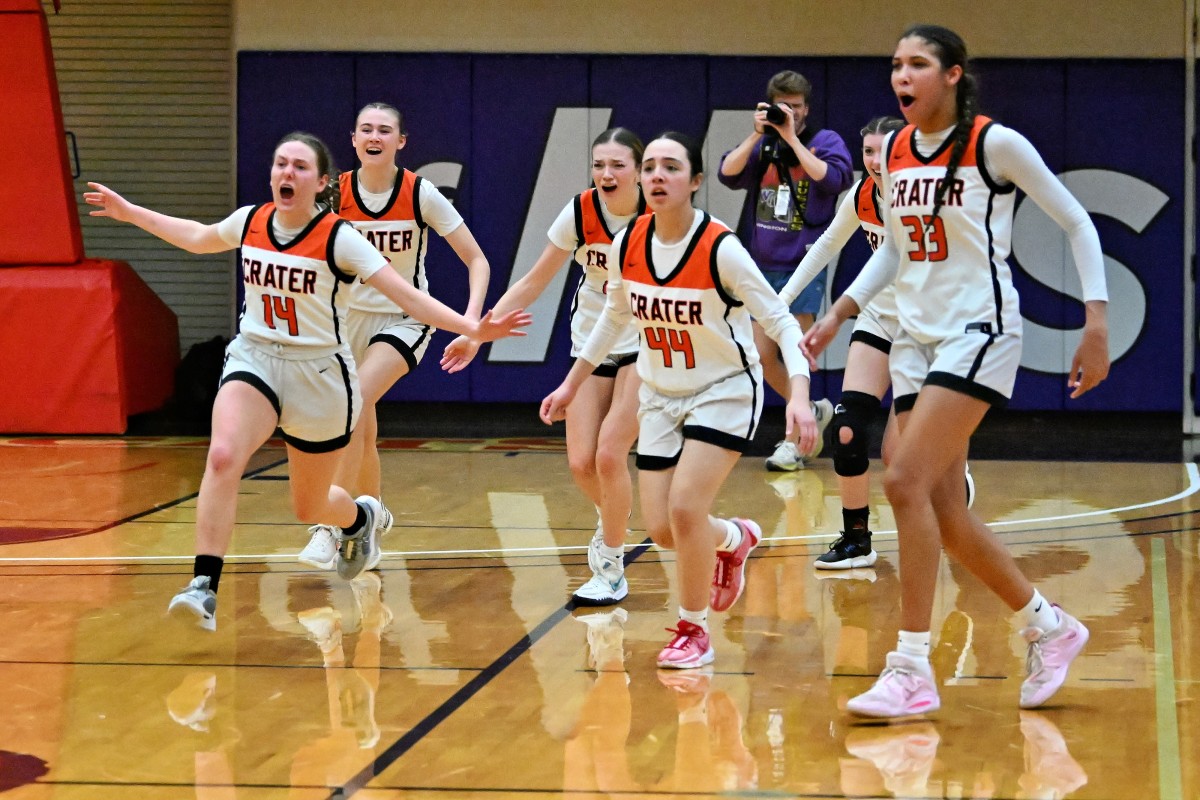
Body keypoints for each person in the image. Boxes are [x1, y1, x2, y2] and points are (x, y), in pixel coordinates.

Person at [83, 131, 529, 629]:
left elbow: (409, 299)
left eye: (299, 167)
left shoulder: (340, 238)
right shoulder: (250, 221)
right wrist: (131, 213)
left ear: (320, 182)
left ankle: (359, 520)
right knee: (224, 454)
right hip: (255, 357)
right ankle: (204, 584)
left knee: (310, 505)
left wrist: (473, 328)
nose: (286, 173)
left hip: (317, 374)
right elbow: (195, 236)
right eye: (280, 164)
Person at [801, 24, 1110, 717]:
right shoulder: (900, 152)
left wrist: (1096, 323)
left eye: (916, 64)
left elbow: (1077, 222)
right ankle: (1048, 626)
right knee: (939, 504)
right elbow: (895, 251)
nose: (901, 76)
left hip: (981, 330)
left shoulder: (992, 144)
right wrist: (842, 311)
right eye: (894, 65)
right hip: (915, 338)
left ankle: (911, 665)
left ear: (952, 75)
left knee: (904, 478)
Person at [541, 132, 818, 669]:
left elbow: (781, 323)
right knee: (666, 530)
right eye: (650, 167)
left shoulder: (720, 248)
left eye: (671, 167)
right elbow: (613, 319)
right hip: (661, 396)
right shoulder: (629, 245)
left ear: (694, 182)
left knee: (687, 508)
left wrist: (801, 396)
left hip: (724, 391)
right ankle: (735, 538)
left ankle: (693, 631)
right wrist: (572, 383)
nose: (657, 176)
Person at [443, 128, 645, 607]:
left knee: (610, 456)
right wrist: (476, 335)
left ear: (639, 170)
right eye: (599, 164)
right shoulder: (580, 211)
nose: (606, 174)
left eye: (617, 165)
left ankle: (611, 564)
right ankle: (615, 520)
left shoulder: (659, 216)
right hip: (592, 341)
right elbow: (534, 281)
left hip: (647, 341)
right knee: (580, 463)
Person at [297, 102, 494, 573]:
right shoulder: (335, 192)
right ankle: (371, 514)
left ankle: (330, 523)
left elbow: (477, 259)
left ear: (400, 142)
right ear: (353, 139)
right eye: (366, 128)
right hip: (343, 322)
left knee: (356, 400)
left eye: (385, 130)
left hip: (402, 319)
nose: (375, 135)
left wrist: (470, 325)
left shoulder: (420, 193)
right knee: (361, 427)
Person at [779, 116, 976, 570]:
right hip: (880, 319)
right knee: (847, 429)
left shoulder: (927, 196)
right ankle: (856, 537)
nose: (874, 161)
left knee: (898, 456)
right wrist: (779, 303)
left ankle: (952, 482)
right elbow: (826, 247)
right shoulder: (863, 195)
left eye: (882, 150)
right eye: (866, 151)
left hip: (927, 325)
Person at [717, 70, 854, 471]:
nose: (788, 114)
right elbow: (728, 173)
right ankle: (811, 411)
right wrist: (760, 134)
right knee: (760, 354)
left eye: (795, 107)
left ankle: (795, 441)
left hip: (803, 263)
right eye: (782, 107)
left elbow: (833, 178)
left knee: (796, 351)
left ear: (806, 109)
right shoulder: (764, 144)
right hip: (762, 265)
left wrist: (791, 137)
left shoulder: (824, 141)